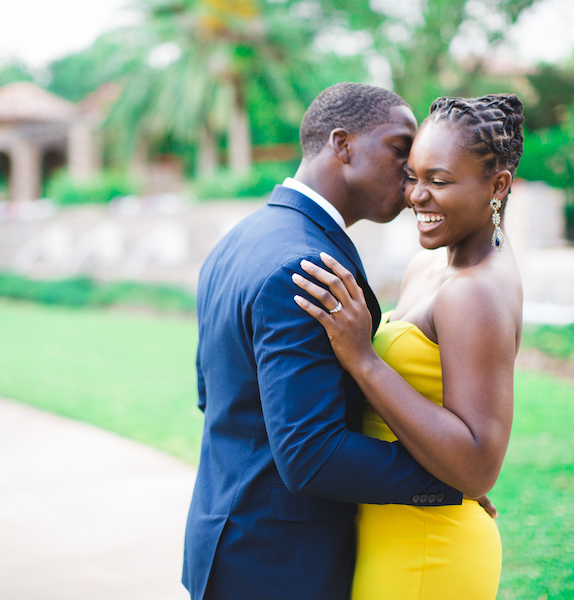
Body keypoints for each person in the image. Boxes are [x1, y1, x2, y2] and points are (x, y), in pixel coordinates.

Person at [182, 83, 466, 600]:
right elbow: (312, 454)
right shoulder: (307, 266)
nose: (411, 172)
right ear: (343, 144)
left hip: (225, 545)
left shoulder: (239, 239)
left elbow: (214, 396)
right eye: (400, 150)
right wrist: (450, 479)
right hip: (279, 567)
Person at [294, 94, 525, 599]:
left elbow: (478, 465)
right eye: (413, 176)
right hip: (391, 531)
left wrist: (364, 359)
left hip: (428, 550)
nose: (416, 196)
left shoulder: (475, 292)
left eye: (438, 181)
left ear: (497, 186)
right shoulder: (431, 265)